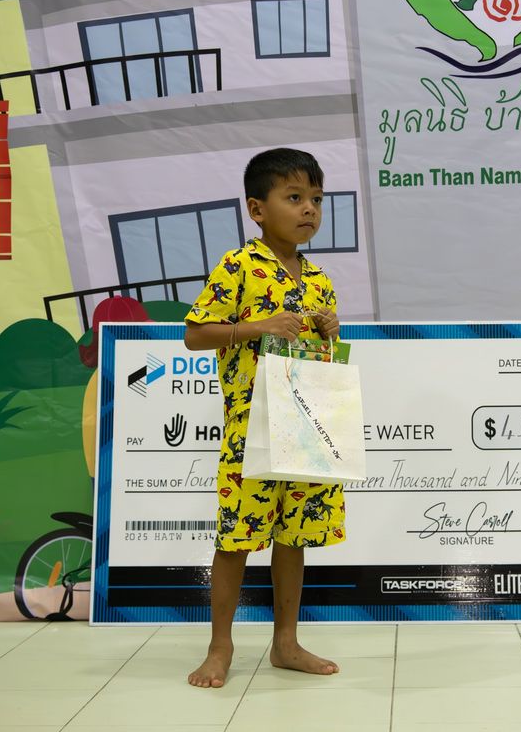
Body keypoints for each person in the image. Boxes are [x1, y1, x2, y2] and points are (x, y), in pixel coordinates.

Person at [184, 148, 344, 688]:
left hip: (304, 427)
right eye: (294, 198)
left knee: (293, 537)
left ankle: (286, 643)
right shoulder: (238, 267)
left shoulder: (319, 278)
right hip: (250, 430)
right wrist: (259, 326)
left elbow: (324, 351)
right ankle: (219, 647)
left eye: (316, 200)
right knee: (234, 541)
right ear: (257, 208)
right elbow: (194, 333)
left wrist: (328, 329)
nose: (309, 210)